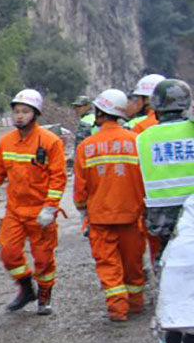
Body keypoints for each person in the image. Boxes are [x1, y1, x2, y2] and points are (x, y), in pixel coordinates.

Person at [0, 89, 66, 314]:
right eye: (16, 112)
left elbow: (58, 177)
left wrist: (50, 208)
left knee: (43, 259)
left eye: (25, 111)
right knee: (8, 253)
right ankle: (26, 289)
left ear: (35, 114)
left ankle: (44, 295)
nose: (20, 116)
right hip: (15, 211)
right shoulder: (7, 142)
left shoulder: (50, 142)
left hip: (40, 211)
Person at [73, 89, 145, 322]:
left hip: (100, 217)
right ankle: (135, 303)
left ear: (100, 114)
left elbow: (80, 189)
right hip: (132, 216)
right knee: (133, 263)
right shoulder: (137, 142)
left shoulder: (86, 146)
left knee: (108, 265)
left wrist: (84, 210)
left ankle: (117, 309)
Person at [136, 78, 194, 275]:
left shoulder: (143, 137)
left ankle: (168, 297)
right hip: (192, 207)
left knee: (166, 257)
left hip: (160, 212)